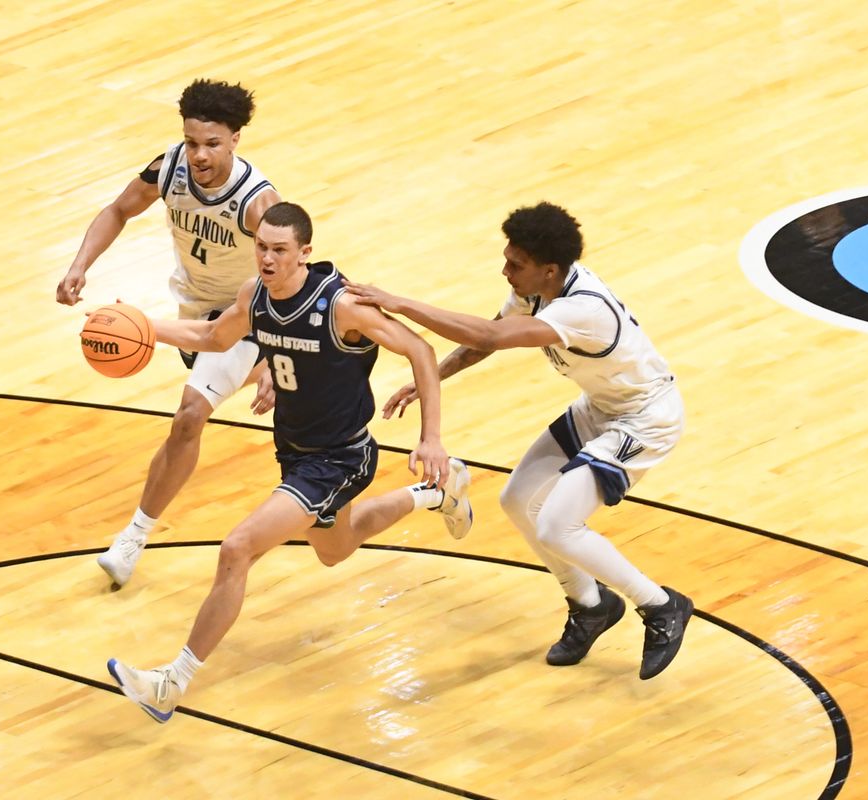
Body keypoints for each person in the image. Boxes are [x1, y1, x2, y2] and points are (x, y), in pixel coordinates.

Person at [107, 202, 473, 723]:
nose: (268, 259)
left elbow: (419, 349)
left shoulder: (341, 305)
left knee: (236, 549)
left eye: (280, 250)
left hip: (338, 458)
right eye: (262, 247)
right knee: (335, 549)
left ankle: (172, 682)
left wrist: (430, 437)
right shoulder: (254, 296)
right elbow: (213, 338)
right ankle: (439, 493)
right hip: (296, 454)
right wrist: (145, 324)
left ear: (305, 253)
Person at [344, 201, 693, 681]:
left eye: (516, 264)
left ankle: (661, 606)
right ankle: (590, 605)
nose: (505, 270)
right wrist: (435, 376)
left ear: (549, 270)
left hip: (644, 419)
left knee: (557, 526)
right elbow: (485, 340)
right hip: (600, 408)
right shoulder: (537, 292)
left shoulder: (583, 309)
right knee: (517, 500)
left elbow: (489, 332)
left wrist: (402, 303)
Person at [57, 79, 282, 588]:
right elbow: (118, 209)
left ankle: (132, 539)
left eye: (213, 144)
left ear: (236, 139)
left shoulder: (257, 202)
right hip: (197, 312)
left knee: (189, 417)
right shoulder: (170, 167)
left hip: (251, 316)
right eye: (192, 141)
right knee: (203, 403)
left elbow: (290, 281)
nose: (200, 155)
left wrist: (272, 355)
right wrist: (80, 265)